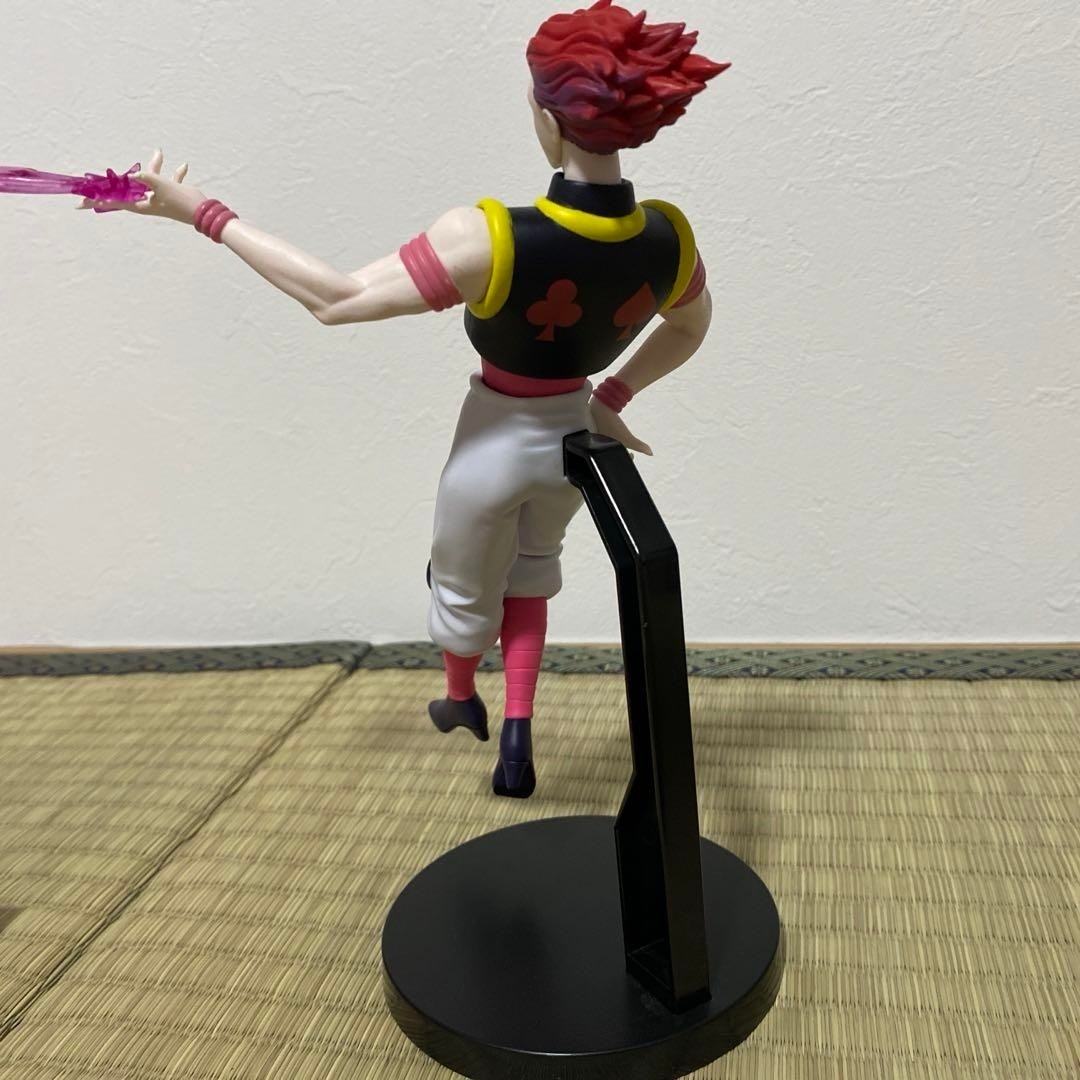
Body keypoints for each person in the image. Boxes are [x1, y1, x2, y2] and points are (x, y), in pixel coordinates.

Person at [82, 0, 726, 798]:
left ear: (548, 117)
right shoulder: (669, 237)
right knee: (532, 573)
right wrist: (615, 395)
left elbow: (335, 298)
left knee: (460, 584)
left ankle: (462, 697)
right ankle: (517, 736)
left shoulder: (490, 236)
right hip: (573, 439)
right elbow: (692, 327)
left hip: (495, 437)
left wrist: (204, 214)